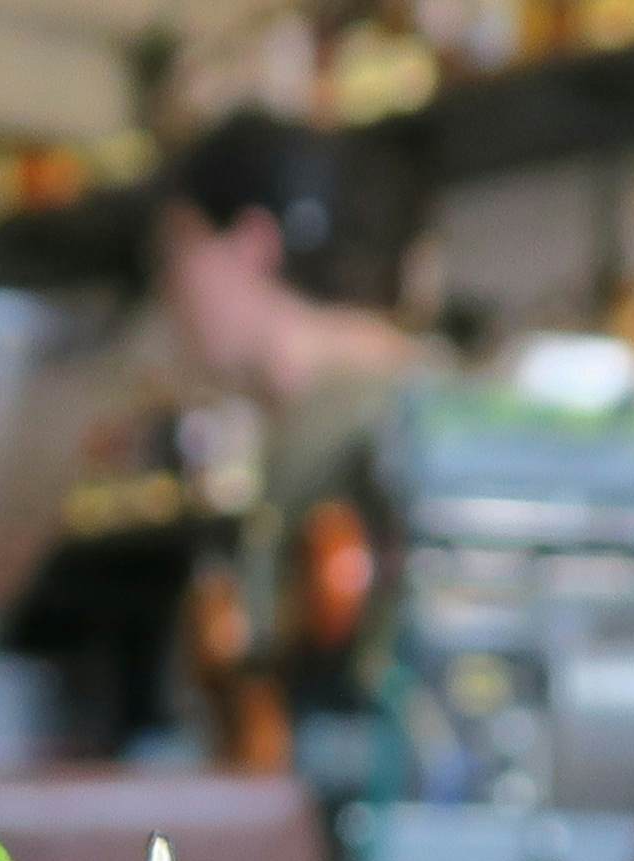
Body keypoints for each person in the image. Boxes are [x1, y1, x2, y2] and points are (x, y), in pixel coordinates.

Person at [148, 114, 431, 768]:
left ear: (251, 245)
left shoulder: (338, 426)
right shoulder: (417, 388)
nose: (170, 289)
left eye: (178, 250)